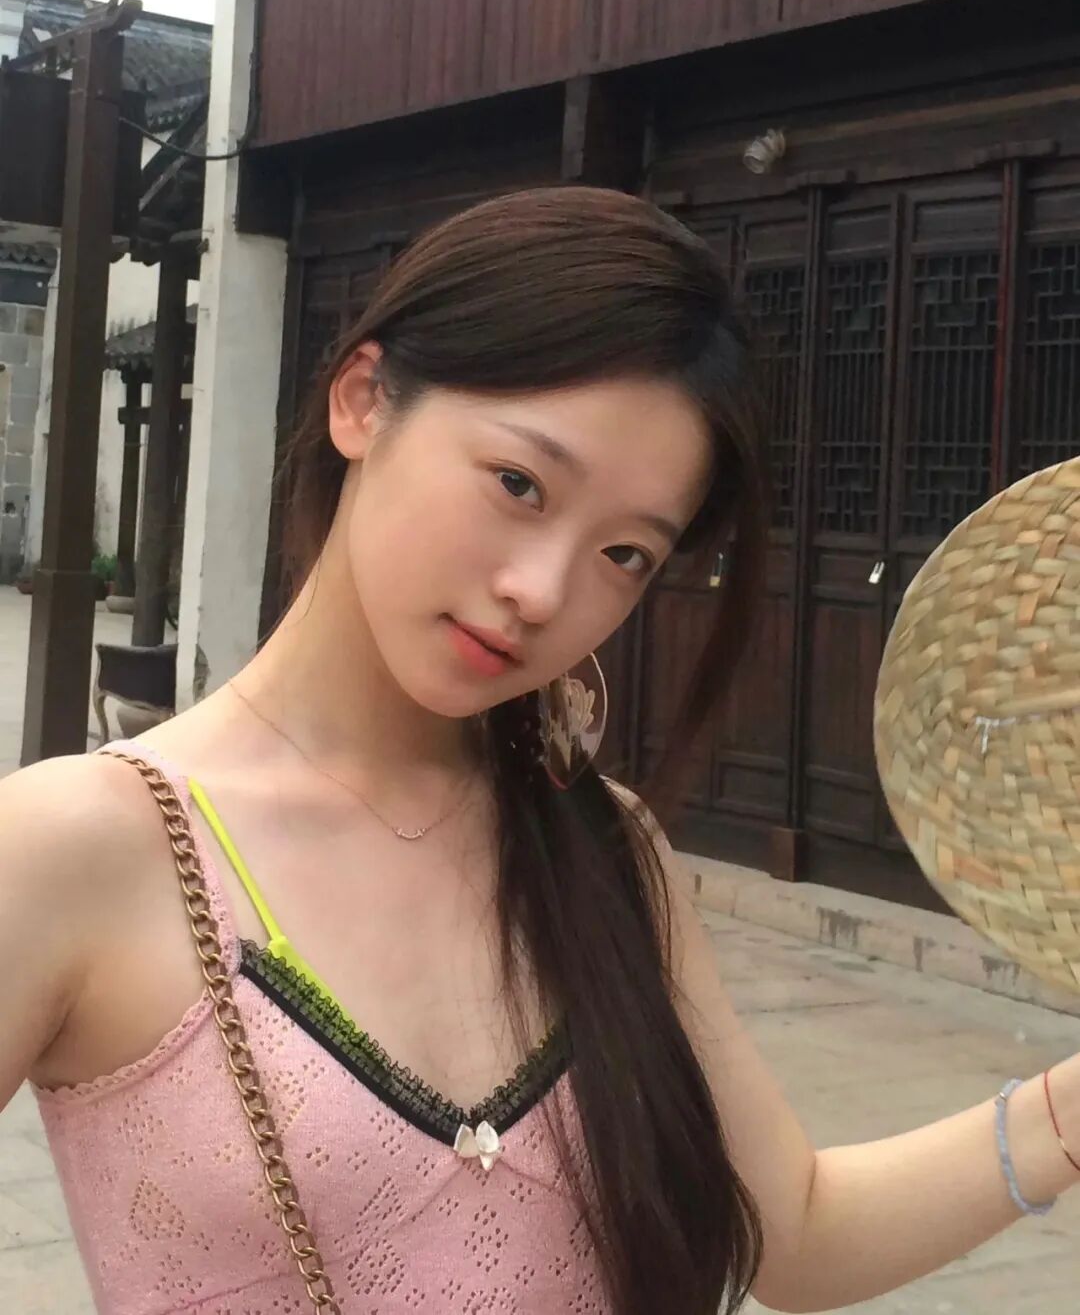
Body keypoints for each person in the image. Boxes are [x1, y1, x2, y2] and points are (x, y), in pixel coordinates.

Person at [0, 186, 1076, 1315]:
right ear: (363, 401)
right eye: (520, 484)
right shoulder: (84, 847)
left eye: (624, 554)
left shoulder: (606, 848)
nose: (544, 590)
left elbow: (798, 1230)